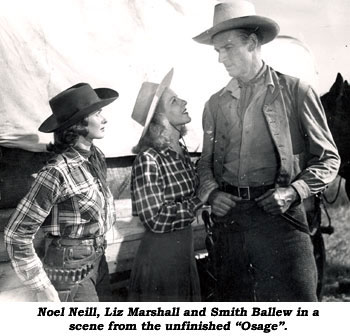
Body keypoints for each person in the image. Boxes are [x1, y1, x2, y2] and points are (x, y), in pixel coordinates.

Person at [193, 0, 340, 301]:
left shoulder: (296, 92)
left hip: (281, 220)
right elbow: (205, 162)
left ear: (253, 42)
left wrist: (292, 192)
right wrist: (211, 194)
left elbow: (328, 158)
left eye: (228, 48)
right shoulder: (215, 104)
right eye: (217, 50)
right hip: (231, 223)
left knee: (299, 308)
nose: (221, 58)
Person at [5, 83, 119, 302]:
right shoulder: (56, 172)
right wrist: (40, 286)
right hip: (69, 270)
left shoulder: (95, 158)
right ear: (77, 125)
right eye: (97, 113)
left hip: (97, 261)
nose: (104, 119)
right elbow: (16, 233)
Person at [129, 69, 214, 301]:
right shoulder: (149, 158)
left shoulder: (181, 153)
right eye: (174, 101)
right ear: (159, 119)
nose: (184, 102)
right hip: (161, 262)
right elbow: (155, 218)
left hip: (183, 256)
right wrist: (199, 200)